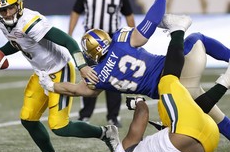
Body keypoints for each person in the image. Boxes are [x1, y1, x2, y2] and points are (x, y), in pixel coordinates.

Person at [0, 0, 120, 152]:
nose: (8, 13)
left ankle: (106, 133)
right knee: (28, 118)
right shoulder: (2, 22)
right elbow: (17, 42)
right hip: (41, 72)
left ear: (19, 3)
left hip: (59, 69)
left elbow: (68, 41)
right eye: (2, 10)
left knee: (60, 126)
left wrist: (81, 66)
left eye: (11, 7)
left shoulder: (30, 22)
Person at [40, 18, 230, 141]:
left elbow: (76, 90)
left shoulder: (97, 77)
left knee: (209, 118)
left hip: (167, 96)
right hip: (172, 73)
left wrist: (51, 85)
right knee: (195, 38)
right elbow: (147, 26)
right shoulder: (121, 43)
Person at [111, 17, 230, 152]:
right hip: (183, 133)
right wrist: (137, 102)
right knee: (166, 81)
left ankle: (225, 82)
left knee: (201, 112)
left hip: (204, 148)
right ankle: (178, 29)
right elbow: (142, 114)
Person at [68, 0, 136, 127]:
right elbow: (75, 12)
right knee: (91, 77)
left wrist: (133, 38)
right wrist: (69, 35)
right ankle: (85, 115)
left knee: (113, 78)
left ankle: (113, 116)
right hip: (91, 43)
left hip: (112, 40)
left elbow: (129, 15)